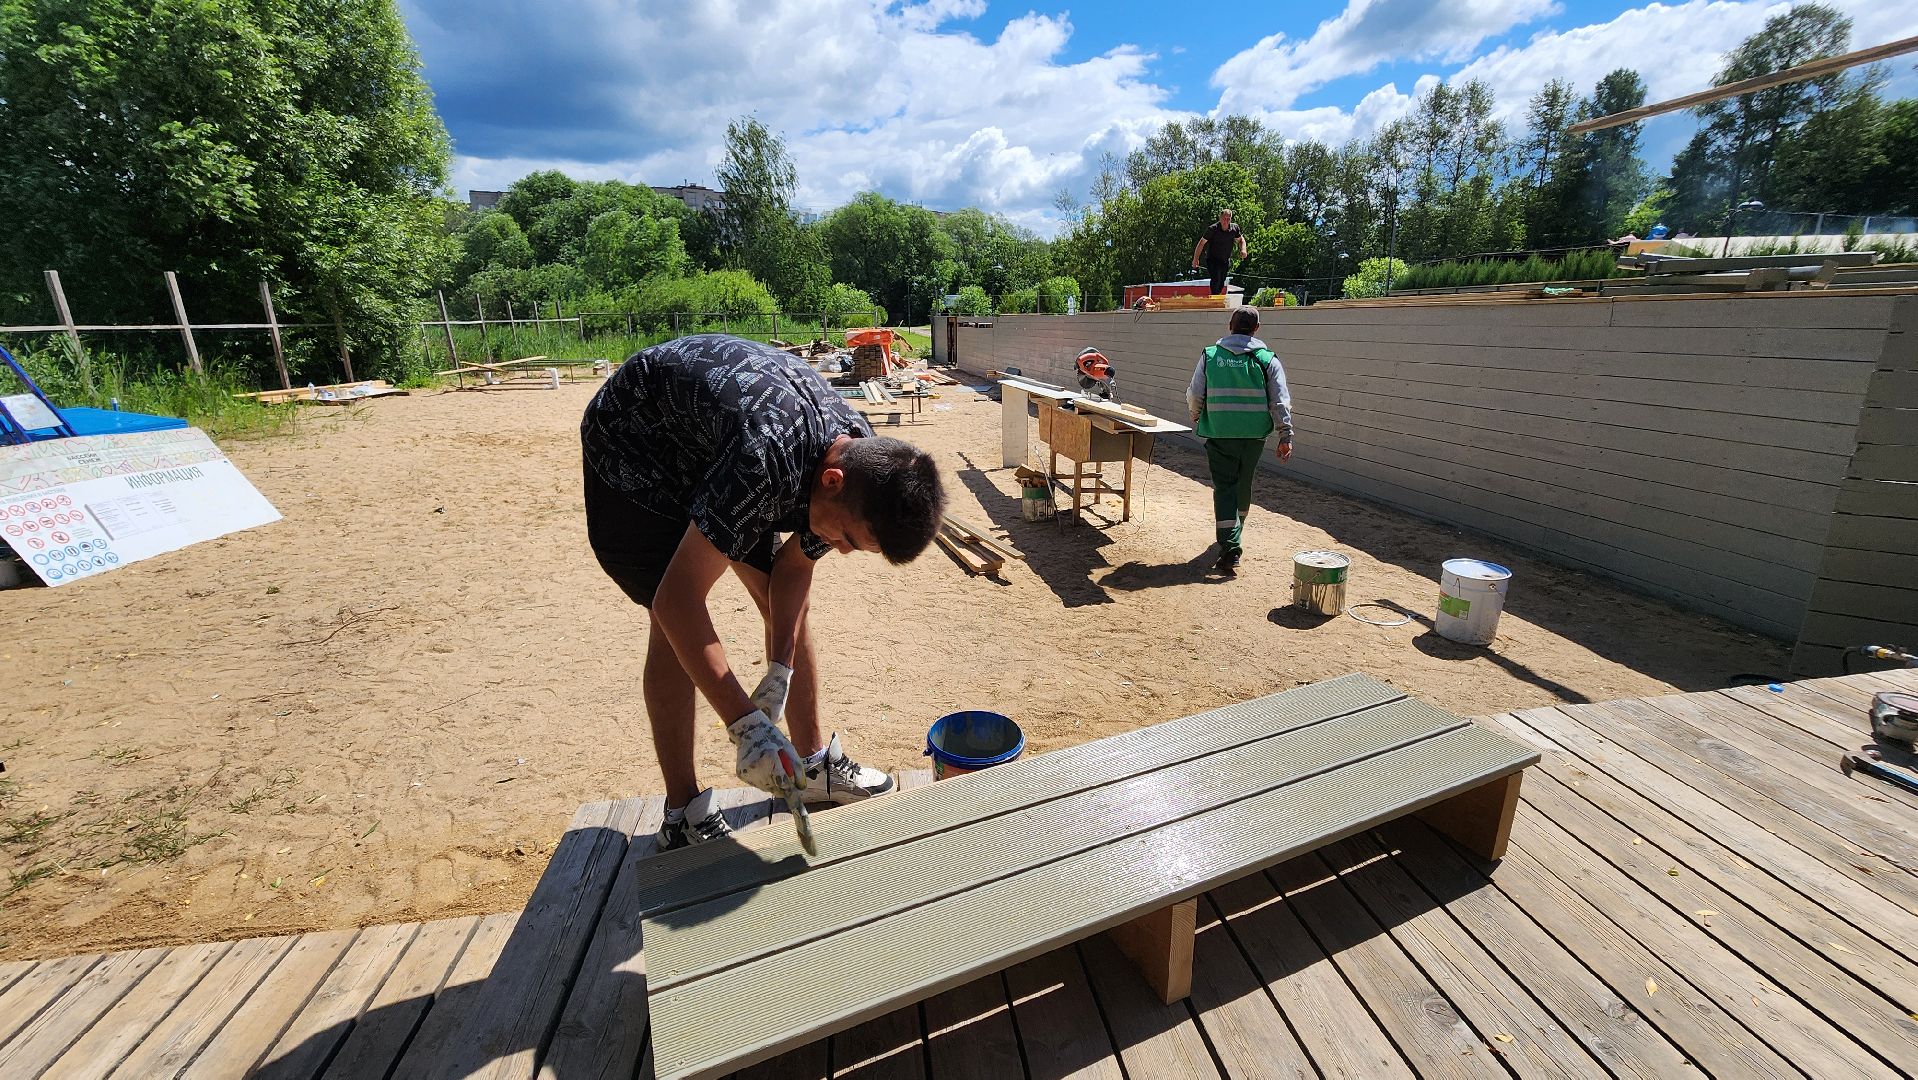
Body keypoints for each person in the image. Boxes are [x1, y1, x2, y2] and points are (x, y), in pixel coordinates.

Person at [581, 334, 947, 849]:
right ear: (833, 481)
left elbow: (791, 570)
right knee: (669, 622)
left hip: (716, 441)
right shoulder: (763, 463)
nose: (839, 551)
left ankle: (813, 764)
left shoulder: (862, 451)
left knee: (778, 604)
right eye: (845, 538)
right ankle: (682, 811)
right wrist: (746, 724)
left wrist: (778, 672)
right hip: (636, 447)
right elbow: (677, 602)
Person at [1187, 306, 1292, 575]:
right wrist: (1285, 434)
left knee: (1225, 487)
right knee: (1243, 484)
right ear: (1257, 329)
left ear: (1229, 326)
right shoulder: (1268, 360)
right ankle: (1236, 534)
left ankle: (1231, 547)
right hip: (1254, 435)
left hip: (1220, 433)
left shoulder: (1210, 355)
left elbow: (1195, 393)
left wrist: (1196, 415)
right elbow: (1280, 400)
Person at [1191, 209, 1248, 295]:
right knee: (1216, 278)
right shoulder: (1212, 229)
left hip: (1225, 259)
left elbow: (1240, 240)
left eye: (1228, 219)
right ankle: (1215, 297)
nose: (1226, 221)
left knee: (1222, 281)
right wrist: (1195, 259)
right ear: (1220, 218)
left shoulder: (1234, 229)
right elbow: (1201, 243)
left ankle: (1217, 295)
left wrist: (1243, 249)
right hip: (1212, 259)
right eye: (1224, 218)